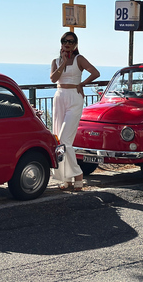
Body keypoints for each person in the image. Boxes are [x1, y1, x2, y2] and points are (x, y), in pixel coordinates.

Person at [49, 31, 100, 190]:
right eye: (65, 41)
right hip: (59, 97)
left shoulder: (79, 59)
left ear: (75, 44)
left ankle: (77, 174)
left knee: (65, 140)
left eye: (71, 41)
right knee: (59, 141)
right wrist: (63, 63)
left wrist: (82, 84)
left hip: (74, 97)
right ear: (61, 43)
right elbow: (53, 79)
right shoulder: (56, 61)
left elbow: (95, 73)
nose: (67, 43)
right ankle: (67, 178)